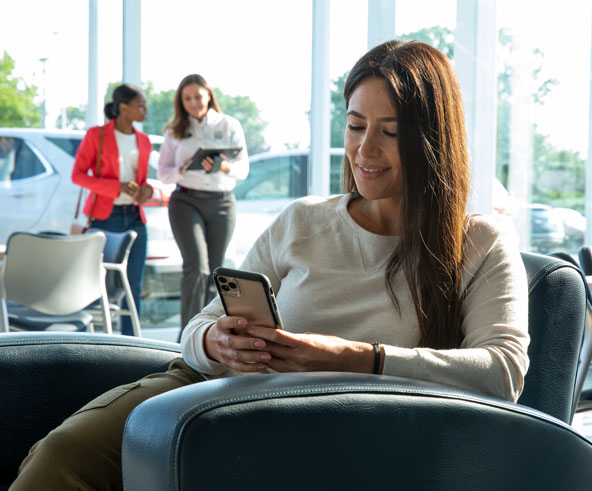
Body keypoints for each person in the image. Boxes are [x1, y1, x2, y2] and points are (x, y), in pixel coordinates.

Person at [10, 40, 529, 490]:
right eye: (354, 125)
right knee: (61, 458)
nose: (364, 149)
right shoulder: (302, 220)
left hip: (328, 431)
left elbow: (503, 372)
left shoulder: (479, 242)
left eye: (390, 131)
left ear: (432, 138)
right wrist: (216, 340)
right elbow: (198, 327)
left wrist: (357, 359)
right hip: (209, 391)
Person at [157, 74, 249, 338]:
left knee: (216, 270)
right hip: (186, 200)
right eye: (187, 98)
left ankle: (209, 334)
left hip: (221, 202)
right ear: (181, 102)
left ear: (209, 95)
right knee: (196, 267)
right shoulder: (174, 131)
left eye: (198, 96)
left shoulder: (229, 124)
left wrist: (222, 165)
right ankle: (185, 336)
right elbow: (163, 174)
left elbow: (243, 169)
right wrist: (182, 168)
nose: (194, 102)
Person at [71, 84, 153, 336]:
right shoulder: (98, 135)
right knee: (96, 284)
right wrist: (116, 187)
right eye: (140, 105)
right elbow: (78, 176)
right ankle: (93, 342)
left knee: (133, 286)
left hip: (135, 217)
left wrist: (146, 190)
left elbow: (143, 181)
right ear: (123, 107)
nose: (145, 110)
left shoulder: (144, 140)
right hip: (105, 218)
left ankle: (132, 345)